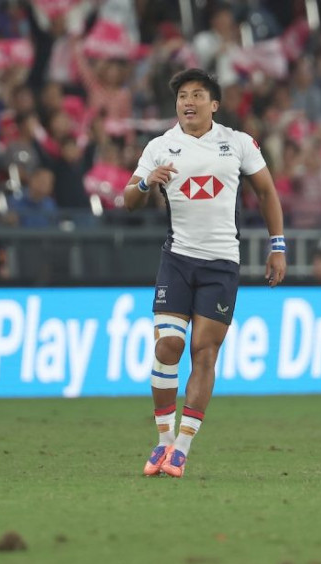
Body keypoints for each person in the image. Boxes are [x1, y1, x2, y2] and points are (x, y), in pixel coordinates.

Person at [123, 69, 286, 478]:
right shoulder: (160, 146)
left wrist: (277, 246)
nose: (188, 101)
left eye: (197, 94)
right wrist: (145, 185)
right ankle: (162, 440)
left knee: (205, 353)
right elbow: (127, 200)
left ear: (214, 104)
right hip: (177, 260)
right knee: (169, 347)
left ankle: (182, 447)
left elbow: (266, 192)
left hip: (221, 265)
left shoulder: (238, 143)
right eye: (182, 96)